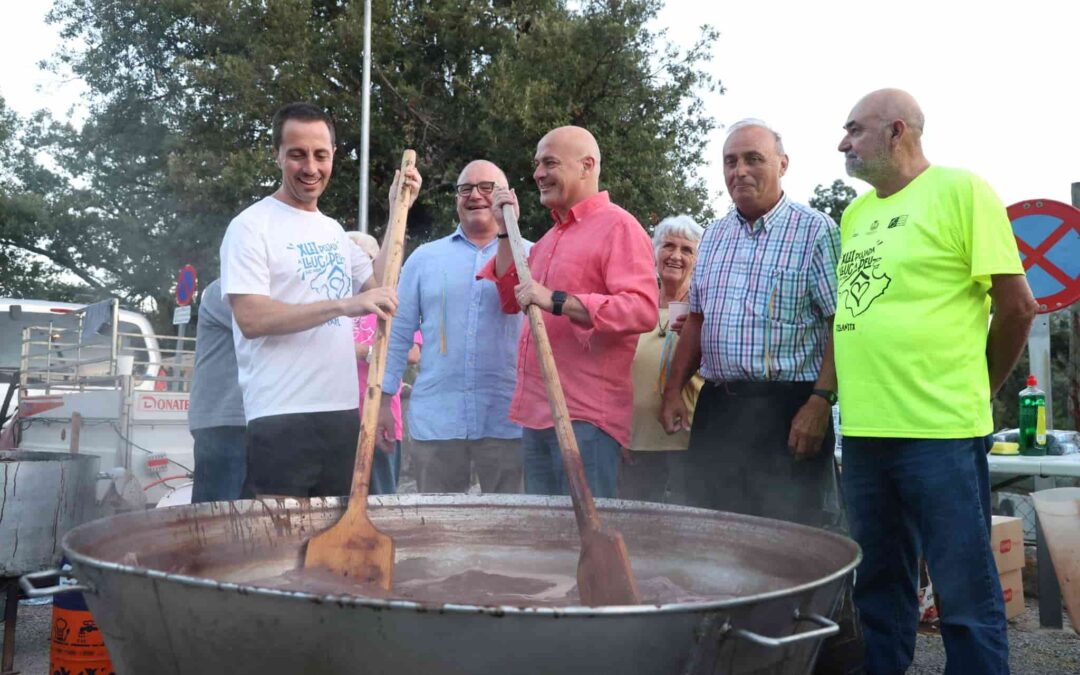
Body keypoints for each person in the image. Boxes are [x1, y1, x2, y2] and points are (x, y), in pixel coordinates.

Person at [834, 88, 1036, 675]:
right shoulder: (856, 214)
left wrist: (983, 386)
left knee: (963, 589)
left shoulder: (962, 191)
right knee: (879, 584)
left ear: (897, 131)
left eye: (854, 130)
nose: (842, 143)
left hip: (940, 433)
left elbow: (1018, 307)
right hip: (867, 432)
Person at [220, 101, 421, 498]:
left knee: (333, 540)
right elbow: (252, 318)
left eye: (320, 155)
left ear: (332, 158)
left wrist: (398, 209)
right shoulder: (250, 227)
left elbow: (379, 282)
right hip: (281, 415)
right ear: (277, 154)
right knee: (277, 541)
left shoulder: (332, 230)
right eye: (297, 154)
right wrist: (343, 306)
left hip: (343, 413)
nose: (310, 167)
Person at [660, 119, 845, 532]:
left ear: (782, 164)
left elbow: (841, 324)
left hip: (788, 411)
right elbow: (697, 322)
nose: (738, 170)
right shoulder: (714, 237)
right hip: (719, 409)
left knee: (790, 540)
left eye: (752, 159)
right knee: (713, 534)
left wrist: (820, 402)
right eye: (730, 161)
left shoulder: (816, 231)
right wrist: (673, 391)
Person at [480, 126, 658, 499]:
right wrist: (502, 230)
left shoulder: (619, 228)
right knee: (545, 542)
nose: (538, 174)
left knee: (584, 536)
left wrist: (558, 301)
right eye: (537, 164)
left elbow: (642, 310)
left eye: (550, 163)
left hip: (586, 419)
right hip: (537, 415)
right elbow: (512, 300)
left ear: (586, 166)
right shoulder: (548, 240)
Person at [378, 160, 527, 494]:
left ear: (508, 197)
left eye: (487, 187)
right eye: (465, 189)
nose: (475, 195)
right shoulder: (424, 259)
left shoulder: (531, 257)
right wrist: (384, 402)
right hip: (438, 423)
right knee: (440, 531)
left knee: (510, 532)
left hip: (509, 421)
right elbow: (399, 333)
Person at [619, 215, 705, 504]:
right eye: (668, 246)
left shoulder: (703, 313)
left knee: (682, 528)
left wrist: (701, 336)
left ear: (698, 259)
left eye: (687, 250)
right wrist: (618, 433)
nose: (675, 256)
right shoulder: (634, 306)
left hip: (686, 442)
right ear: (654, 252)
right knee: (636, 527)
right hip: (634, 442)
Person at [348, 232, 421, 495]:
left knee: (380, 500)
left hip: (379, 418)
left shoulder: (391, 304)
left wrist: (366, 352)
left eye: (364, 261)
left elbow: (412, 353)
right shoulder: (337, 305)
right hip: (339, 422)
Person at [188, 278, 246, 502]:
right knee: (216, 518)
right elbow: (264, 326)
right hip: (224, 420)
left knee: (247, 518)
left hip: (246, 419)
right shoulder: (225, 288)